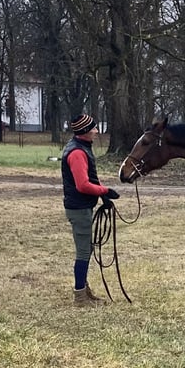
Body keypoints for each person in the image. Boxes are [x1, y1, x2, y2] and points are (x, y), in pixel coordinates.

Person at [61, 114, 120, 306]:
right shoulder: (77, 153)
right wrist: (105, 190)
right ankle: (80, 296)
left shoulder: (82, 148)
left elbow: (91, 178)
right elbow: (83, 185)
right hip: (79, 208)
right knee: (83, 252)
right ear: (85, 131)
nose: (96, 131)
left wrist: (103, 197)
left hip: (83, 206)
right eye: (93, 128)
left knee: (85, 249)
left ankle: (83, 290)